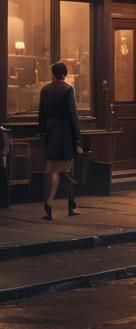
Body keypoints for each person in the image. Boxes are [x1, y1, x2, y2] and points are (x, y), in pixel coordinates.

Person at [37, 62, 82, 221]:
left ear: (53, 74)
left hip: (50, 132)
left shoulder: (45, 90)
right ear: (65, 73)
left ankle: (53, 204)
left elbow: (41, 113)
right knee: (67, 170)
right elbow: (73, 115)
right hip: (65, 134)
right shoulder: (68, 89)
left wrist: (43, 131)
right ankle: (66, 205)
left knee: (52, 168)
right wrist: (78, 138)